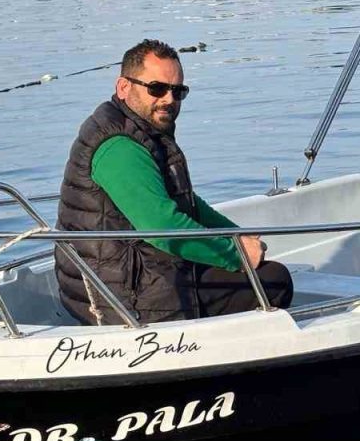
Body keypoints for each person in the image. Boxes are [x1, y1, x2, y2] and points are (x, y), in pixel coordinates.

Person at [56, 39, 293, 325]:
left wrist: (236, 235)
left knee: (259, 271)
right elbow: (162, 227)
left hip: (136, 270)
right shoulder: (119, 146)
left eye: (178, 91)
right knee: (274, 281)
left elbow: (187, 204)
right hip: (123, 294)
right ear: (124, 87)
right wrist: (236, 254)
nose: (169, 99)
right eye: (157, 88)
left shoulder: (143, 131)